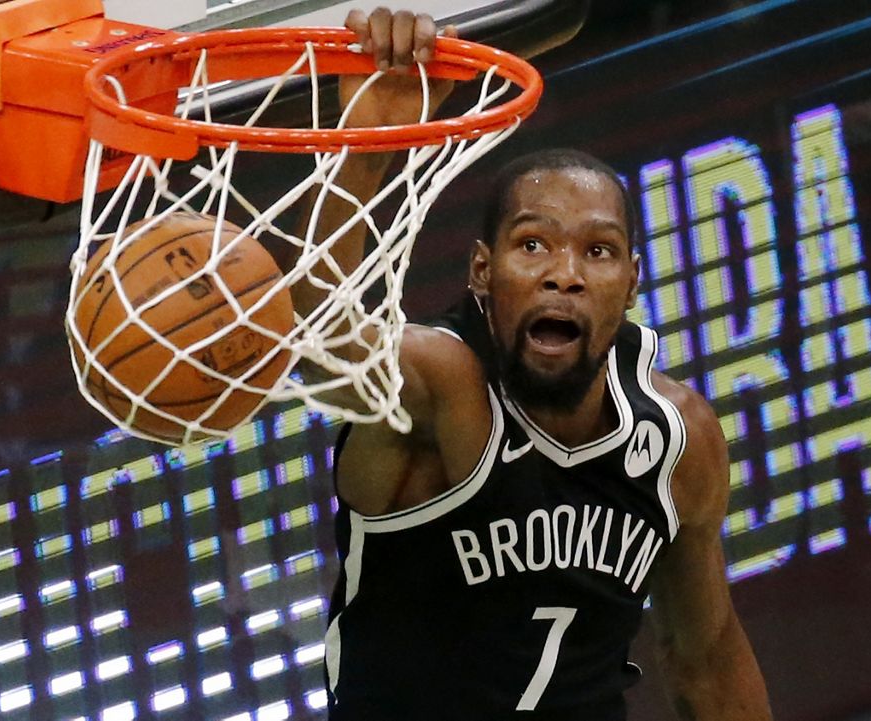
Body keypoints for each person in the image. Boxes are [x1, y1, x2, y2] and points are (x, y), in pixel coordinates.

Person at [289, 8, 773, 720]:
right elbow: (328, 340)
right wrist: (364, 145)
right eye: (533, 245)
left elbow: (706, 657)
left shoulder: (678, 437)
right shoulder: (441, 384)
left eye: (597, 251)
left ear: (632, 282)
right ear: (483, 272)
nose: (565, 275)